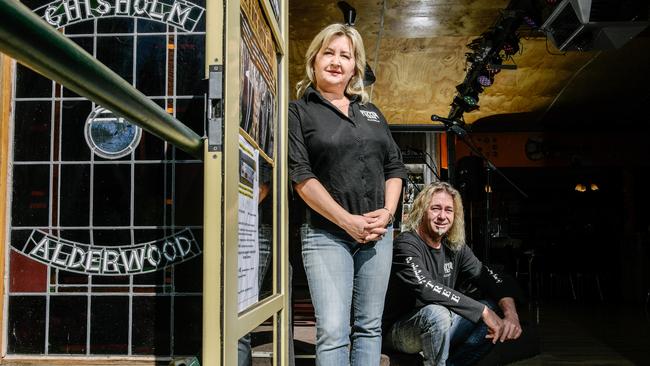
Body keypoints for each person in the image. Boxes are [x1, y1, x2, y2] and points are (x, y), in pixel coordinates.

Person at [288, 23, 407, 365]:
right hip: (327, 235)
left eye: (346, 55)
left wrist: (386, 214)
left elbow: (395, 168)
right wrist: (348, 222)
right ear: (314, 60)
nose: (336, 61)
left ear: (355, 67)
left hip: (378, 235)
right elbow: (301, 176)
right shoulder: (299, 111)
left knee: (370, 327)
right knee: (334, 330)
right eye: (329, 52)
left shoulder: (371, 112)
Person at [383, 182, 523, 366]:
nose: (442, 216)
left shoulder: (455, 247)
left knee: (492, 307)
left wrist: (511, 314)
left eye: (448, 210)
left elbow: (490, 279)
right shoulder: (406, 244)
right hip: (399, 331)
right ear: (422, 211)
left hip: (440, 326)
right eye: (435, 209)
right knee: (439, 313)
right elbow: (425, 287)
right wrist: (482, 311)